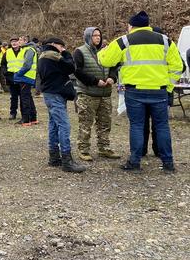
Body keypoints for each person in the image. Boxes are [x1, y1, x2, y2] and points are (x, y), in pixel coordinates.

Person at [98, 11, 184, 173]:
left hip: (135, 92)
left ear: (131, 26)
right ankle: (168, 163)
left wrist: (103, 50)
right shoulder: (165, 41)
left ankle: (135, 162)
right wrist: (169, 86)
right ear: (148, 25)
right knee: (162, 127)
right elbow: (178, 67)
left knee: (137, 126)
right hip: (159, 91)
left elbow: (105, 60)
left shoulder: (124, 41)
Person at [38, 38, 86, 173]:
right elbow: (71, 67)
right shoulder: (54, 56)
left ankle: (54, 157)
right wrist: (66, 53)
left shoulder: (44, 55)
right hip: (55, 94)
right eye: (61, 46)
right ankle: (67, 160)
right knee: (64, 125)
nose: (62, 48)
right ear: (53, 45)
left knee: (54, 124)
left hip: (50, 93)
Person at [73, 27, 120, 161]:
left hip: (105, 94)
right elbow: (77, 71)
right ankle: (83, 149)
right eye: (94, 35)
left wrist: (113, 77)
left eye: (99, 35)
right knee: (86, 123)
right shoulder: (79, 52)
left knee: (105, 123)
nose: (97, 38)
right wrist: (94, 81)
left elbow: (114, 66)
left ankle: (104, 148)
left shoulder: (106, 51)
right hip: (88, 94)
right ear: (88, 37)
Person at [13, 36, 39, 126]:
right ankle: (33, 118)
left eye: (20, 40)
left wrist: (19, 73)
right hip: (24, 77)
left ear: (26, 41)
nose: (18, 41)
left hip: (25, 77)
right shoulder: (25, 49)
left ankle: (26, 119)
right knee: (28, 97)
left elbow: (27, 65)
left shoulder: (29, 50)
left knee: (25, 98)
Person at [1, 37, 23, 119]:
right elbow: (3, 64)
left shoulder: (24, 51)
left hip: (21, 77)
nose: (14, 43)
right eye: (12, 42)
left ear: (19, 42)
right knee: (13, 97)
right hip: (11, 77)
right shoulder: (7, 52)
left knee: (22, 96)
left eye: (15, 41)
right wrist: (5, 73)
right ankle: (13, 113)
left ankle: (24, 113)